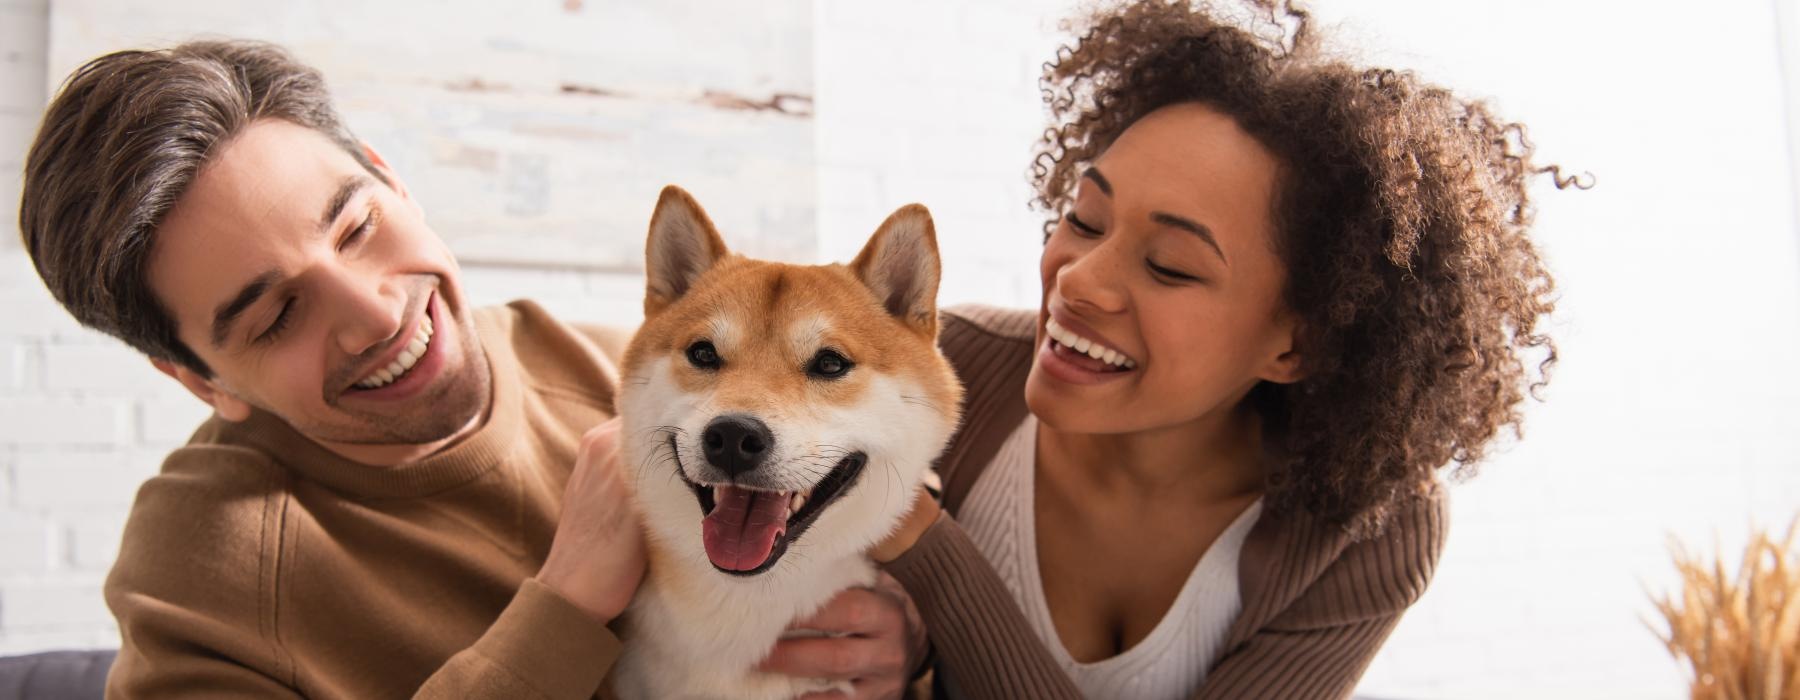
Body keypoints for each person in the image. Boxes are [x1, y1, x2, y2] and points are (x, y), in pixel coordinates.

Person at [18, 40, 920, 698]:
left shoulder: (635, 372)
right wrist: (564, 604)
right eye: (277, 313)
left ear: (392, 178)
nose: (376, 312)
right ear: (200, 380)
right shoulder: (196, 572)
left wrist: (900, 644)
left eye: (357, 225)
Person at [866, 1, 1573, 698]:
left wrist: (925, 548)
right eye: (1085, 219)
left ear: (1297, 346)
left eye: (1170, 265)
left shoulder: (1363, 533)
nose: (1079, 278)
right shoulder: (934, 374)